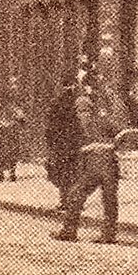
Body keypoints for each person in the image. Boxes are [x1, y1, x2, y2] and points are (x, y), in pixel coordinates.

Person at [52, 72, 127, 244]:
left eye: (84, 110)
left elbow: (120, 133)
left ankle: (74, 232)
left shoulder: (86, 123)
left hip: (98, 165)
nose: (82, 114)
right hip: (103, 165)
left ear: (89, 110)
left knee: (83, 196)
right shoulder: (93, 122)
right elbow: (121, 133)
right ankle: (103, 234)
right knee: (102, 199)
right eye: (80, 111)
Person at [45, 72, 83, 215]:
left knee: (62, 173)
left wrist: (51, 143)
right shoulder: (76, 103)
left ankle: (64, 201)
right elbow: (78, 126)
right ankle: (74, 201)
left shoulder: (56, 103)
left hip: (61, 144)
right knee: (74, 173)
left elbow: (50, 127)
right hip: (72, 144)